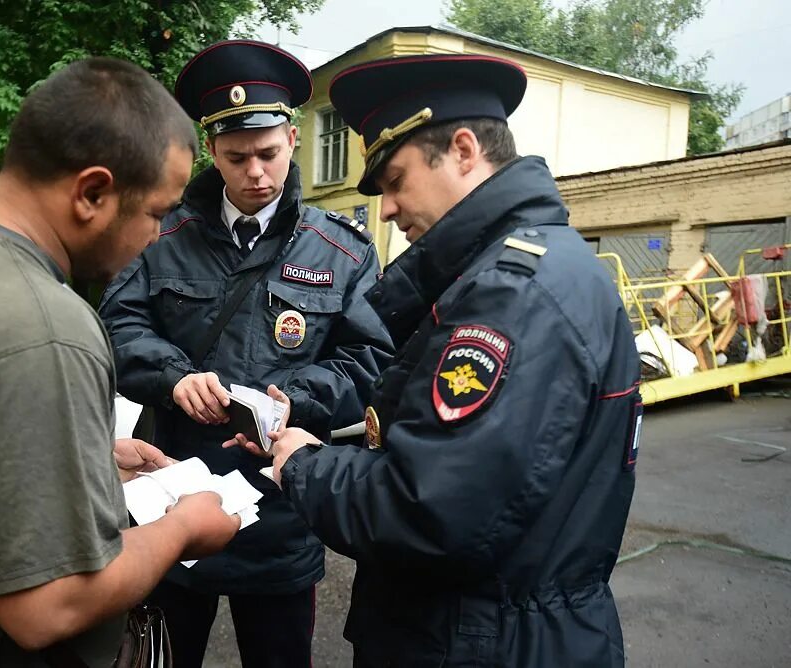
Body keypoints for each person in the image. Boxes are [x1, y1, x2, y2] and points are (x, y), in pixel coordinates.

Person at [242, 54, 642, 667]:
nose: (388, 210)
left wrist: (304, 465)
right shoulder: (532, 270)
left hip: (479, 642)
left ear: (462, 150)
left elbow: (428, 512)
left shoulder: (509, 295)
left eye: (396, 181)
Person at [0, 57, 241, 667]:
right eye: (156, 214)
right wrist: (185, 528)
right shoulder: (42, 323)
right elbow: (46, 606)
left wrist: (79, 456)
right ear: (92, 192)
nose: (159, 239)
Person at [99, 40, 394, 668]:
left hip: (282, 508)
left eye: (267, 153)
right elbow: (116, 328)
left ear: (292, 138)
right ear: (213, 152)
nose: (255, 172)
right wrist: (173, 377)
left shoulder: (341, 250)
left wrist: (298, 399)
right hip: (173, 499)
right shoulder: (162, 236)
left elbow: (371, 358)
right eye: (237, 158)